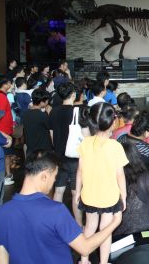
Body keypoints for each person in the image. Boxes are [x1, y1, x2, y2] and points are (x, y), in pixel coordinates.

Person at [0, 151, 122, 264]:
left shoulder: (0, 214)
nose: (54, 182)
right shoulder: (55, 211)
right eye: (54, 177)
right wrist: (114, 222)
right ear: (44, 176)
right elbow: (85, 248)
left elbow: (1, 261)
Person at [76, 103, 128, 264]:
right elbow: (120, 176)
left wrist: (77, 192)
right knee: (105, 231)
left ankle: (84, 259)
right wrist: (124, 196)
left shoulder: (85, 143)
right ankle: (103, 262)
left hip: (89, 194)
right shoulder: (116, 146)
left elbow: (80, 171)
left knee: (89, 226)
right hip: (109, 197)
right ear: (113, 122)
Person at [50, 83, 85, 225]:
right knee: (75, 192)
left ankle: (55, 223)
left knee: (58, 190)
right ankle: (78, 225)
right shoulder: (76, 112)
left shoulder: (53, 111)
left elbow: (51, 134)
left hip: (58, 156)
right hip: (74, 157)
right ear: (73, 95)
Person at [20, 89, 53, 155]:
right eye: (47, 100)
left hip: (31, 149)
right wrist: (49, 113)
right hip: (43, 149)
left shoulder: (25, 114)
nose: (47, 102)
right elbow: (50, 130)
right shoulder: (43, 115)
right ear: (41, 102)